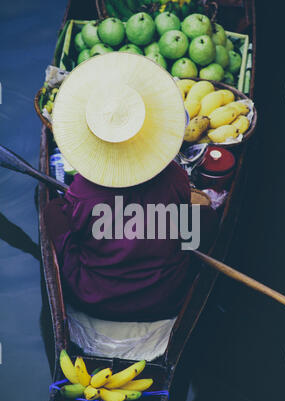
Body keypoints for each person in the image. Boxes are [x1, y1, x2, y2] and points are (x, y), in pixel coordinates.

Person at [44, 52, 217, 322]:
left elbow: (75, 229)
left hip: (95, 298)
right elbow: (189, 235)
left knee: (54, 211)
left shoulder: (81, 191)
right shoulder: (174, 178)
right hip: (167, 298)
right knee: (201, 217)